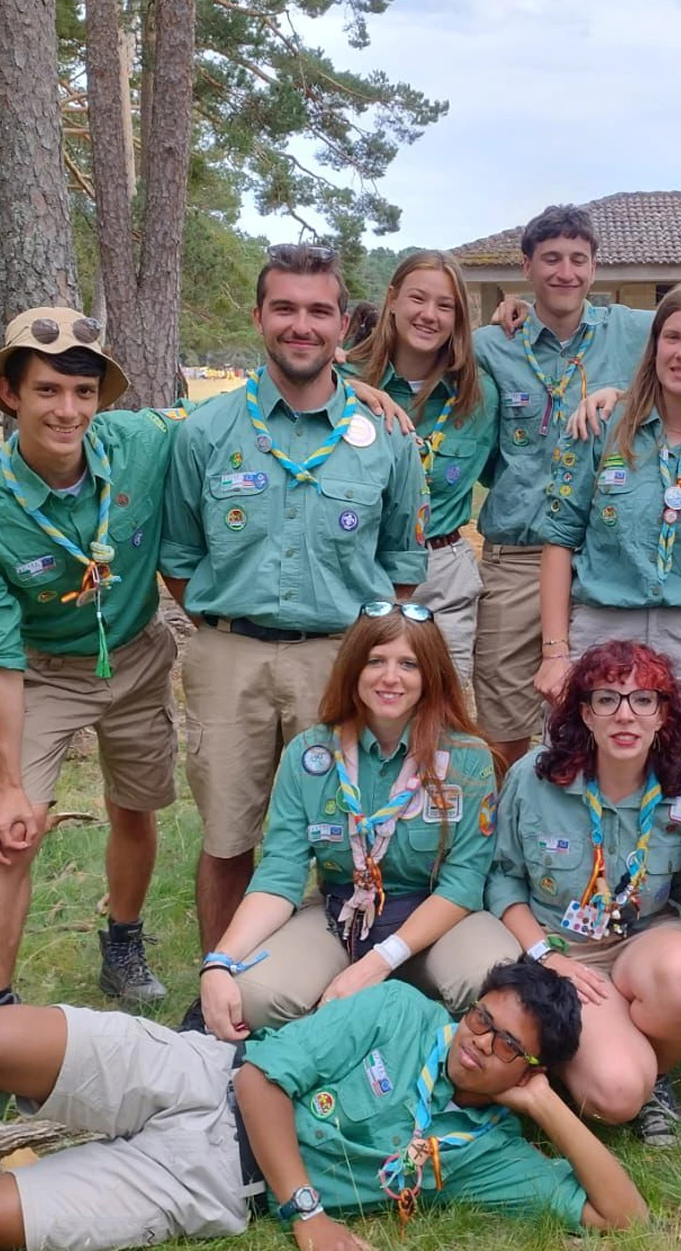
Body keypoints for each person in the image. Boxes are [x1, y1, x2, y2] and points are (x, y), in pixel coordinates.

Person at [0, 964, 645, 1251]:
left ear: (524, 1072)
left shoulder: (489, 1150)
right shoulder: (406, 1019)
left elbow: (620, 1221)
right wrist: (310, 1209)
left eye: (507, 1046)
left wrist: (550, 1111)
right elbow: (264, 1079)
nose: (479, 1039)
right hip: (199, 1079)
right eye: (484, 1016)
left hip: (198, 1186)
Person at [163, 243, 429, 954]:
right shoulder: (206, 432)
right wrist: (232, 623)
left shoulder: (387, 440)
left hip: (343, 658)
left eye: (319, 310)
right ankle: (221, 980)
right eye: (284, 307)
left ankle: (322, 974)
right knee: (228, 833)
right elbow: (181, 557)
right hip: (229, 656)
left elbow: (403, 557)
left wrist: (364, 642)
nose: (300, 325)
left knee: (344, 831)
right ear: (258, 317)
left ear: (345, 324)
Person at [0, 307, 186, 1012]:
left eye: (82, 392)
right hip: (42, 670)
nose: (67, 410)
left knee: (135, 808)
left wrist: (359, 385)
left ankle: (123, 943)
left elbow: (241, 409)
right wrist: (9, 782)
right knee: (13, 835)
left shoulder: (138, 441)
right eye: (47, 390)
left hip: (137, 656)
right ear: (10, 394)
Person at [198, 603, 510, 1037]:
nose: (390, 678)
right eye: (375, 661)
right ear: (352, 669)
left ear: (431, 675)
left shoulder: (467, 761)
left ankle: (425, 1052)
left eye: (408, 665)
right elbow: (279, 874)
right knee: (253, 997)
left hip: (436, 922)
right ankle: (328, 1050)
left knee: (495, 984)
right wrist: (220, 960)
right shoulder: (309, 757)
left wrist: (377, 963)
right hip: (338, 916)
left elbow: (464, 885)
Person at [492, 640, 681, 1143]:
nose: (626, 715)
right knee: (614, 1096)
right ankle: (618, 1059)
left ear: (663, 716)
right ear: (584, 714)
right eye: (607, 699)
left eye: (644, 700)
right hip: (559, 949)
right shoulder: (533, 779)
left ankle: (654, 1075)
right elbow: (502, 877)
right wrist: (546, 957)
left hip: (642, 942)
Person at [470, 205, 655, 775]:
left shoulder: (634, 331)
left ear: (595, 268)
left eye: (578, 259)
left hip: (605, 559)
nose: (565, 272)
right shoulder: (489, 345)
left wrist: (621, 398)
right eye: (551, 259)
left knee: (612, 711)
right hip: (518, 559)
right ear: (527, 266)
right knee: (503, 721)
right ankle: (504, 846)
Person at [539, 281, 681, 769]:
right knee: (581, 766)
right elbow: (560, 538)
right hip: (602, 622)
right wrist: (554, 652)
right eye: (672, 338)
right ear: (653, 346)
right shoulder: (601, 424)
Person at [352, 251, 500, 683]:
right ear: (393, 299)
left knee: (442, 720)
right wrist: (345, 389)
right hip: (359, 562)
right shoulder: (341, 382)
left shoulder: (481, 396)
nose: (429, 315)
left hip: (442, 570)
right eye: (418, 299)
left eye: (445, 306)